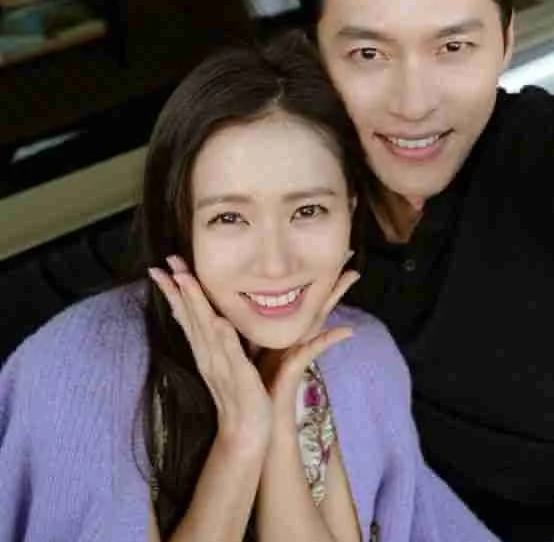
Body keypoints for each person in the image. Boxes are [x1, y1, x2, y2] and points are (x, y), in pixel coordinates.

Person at [0, 32, 498, 542]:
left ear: (349, 209)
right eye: (230, 217)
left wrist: (282, 422)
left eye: (308, 211)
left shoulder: (361, 358)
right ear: (181, 223)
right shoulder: (76, 371)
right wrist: (241, 437)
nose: (275, 263)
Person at [292, 0, 554, 541]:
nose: (413, 103)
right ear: (316, 54)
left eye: (453, 47)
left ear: (506, 40)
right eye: (368, 53)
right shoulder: (289, 197)